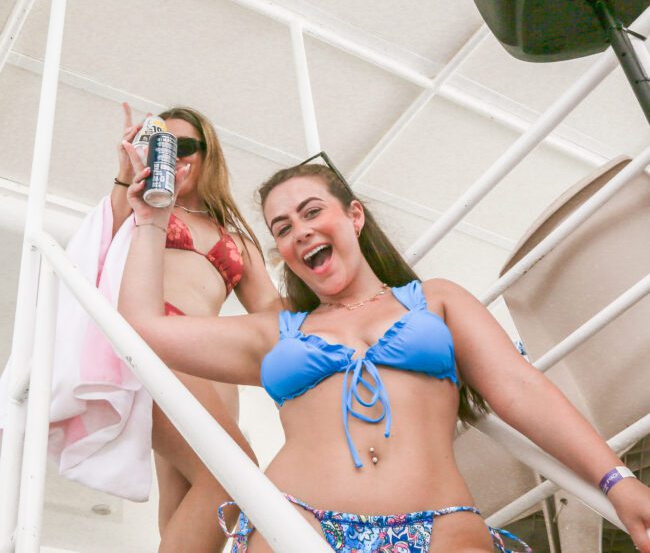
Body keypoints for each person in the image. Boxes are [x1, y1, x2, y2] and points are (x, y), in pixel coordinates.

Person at [118, 148, 650, 553]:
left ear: (353, 216)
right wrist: (149, 219)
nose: (300, 232)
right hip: (299, 522)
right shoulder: (276, 329)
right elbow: (143, 326)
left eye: (311, 213)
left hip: (440, 527)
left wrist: (616, 482)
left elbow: (520, 388)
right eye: (283, 228)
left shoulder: (435, 301)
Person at [112, 104, 281, 552]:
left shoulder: (238, 237)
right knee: (233, 475)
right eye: (161, 144)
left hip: (213, 359)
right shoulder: (142, 202)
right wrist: (127, 172)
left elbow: (270, 307)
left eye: (184, 146)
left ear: (209, 153)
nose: (174, 154)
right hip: (159, 337)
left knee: (188, 497)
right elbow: (108, 239)